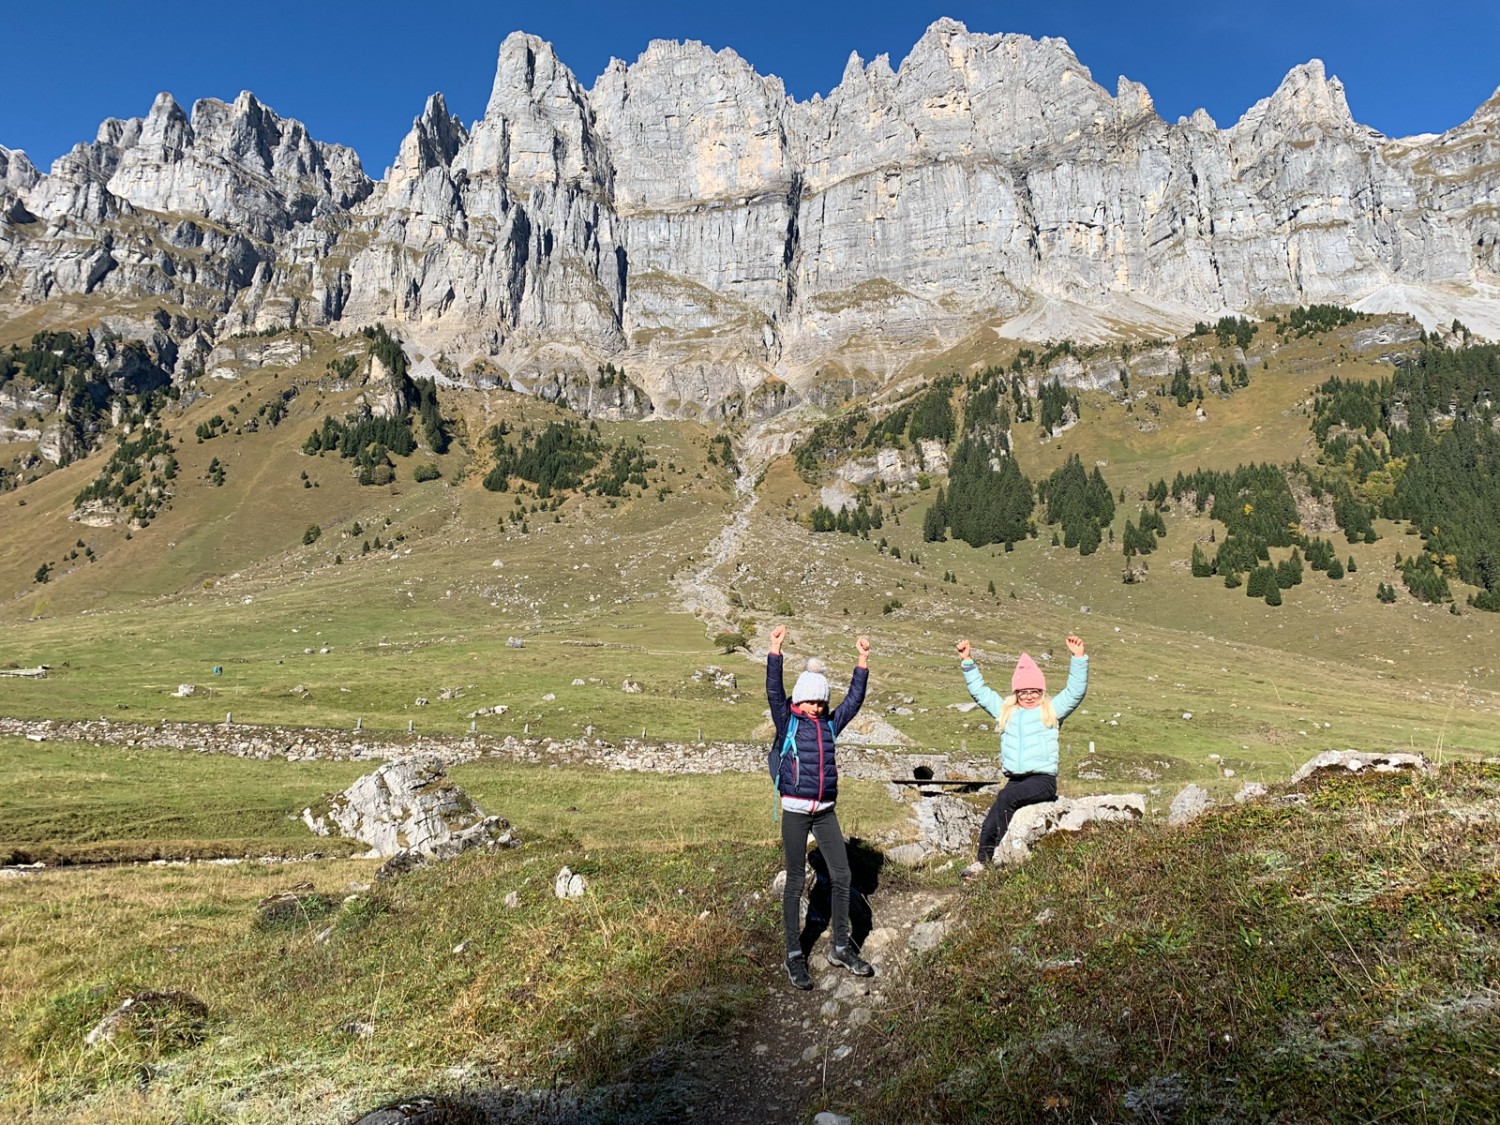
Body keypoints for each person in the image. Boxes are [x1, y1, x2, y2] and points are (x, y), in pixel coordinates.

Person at [767, 624, 874, 990]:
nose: (816, 706)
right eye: (810, 701)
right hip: (796, 811)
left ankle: (840, 947)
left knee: (843, 876)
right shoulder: (787, 721)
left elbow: (854, 702)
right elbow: (772, 690)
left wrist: (861, 662)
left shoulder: (830, 724)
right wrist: (775, 651)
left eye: (820, 701)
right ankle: (794, 954)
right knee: (796, 880)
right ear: (798, 700)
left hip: (825, 810)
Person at [955, 635, 1087, 878]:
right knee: (989, 824)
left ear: (1042, 692)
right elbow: (981, 693)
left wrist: (1078, 658)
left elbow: (1075, 692)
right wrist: (967, 662)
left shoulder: (1051, 711)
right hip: (1016, 780)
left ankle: (1005, 854)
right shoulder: (1006, 712)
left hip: (1042, 781)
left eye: (1034, 691)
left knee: (1007, 797)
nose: (1029, 696)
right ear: (1016, 693)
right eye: (1023, 692)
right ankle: (982, 864)